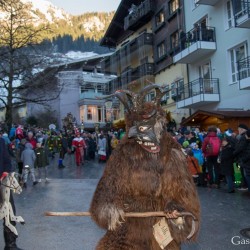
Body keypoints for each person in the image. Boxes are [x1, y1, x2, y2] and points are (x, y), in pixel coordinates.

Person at [0, 137, 23, 250]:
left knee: (10, 213)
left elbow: (6, 160)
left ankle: (10, 245)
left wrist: (5, 173)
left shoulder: (1, 141)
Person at [233, 124, 248, 191]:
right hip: (243, 157)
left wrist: (233, 153)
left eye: (239, 129)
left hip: (242, 158)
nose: (238, 131)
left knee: (243, 172)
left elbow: (240, 148)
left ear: (242, 129)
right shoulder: (243, 136)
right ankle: (242, 184)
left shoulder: (243, 137)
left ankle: (244, 185)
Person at [240, 129, 250, 195]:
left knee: (248, 176)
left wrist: (243, 159)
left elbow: (248, 154)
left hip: (247, 163)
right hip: (247, 163)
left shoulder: (248, 143)